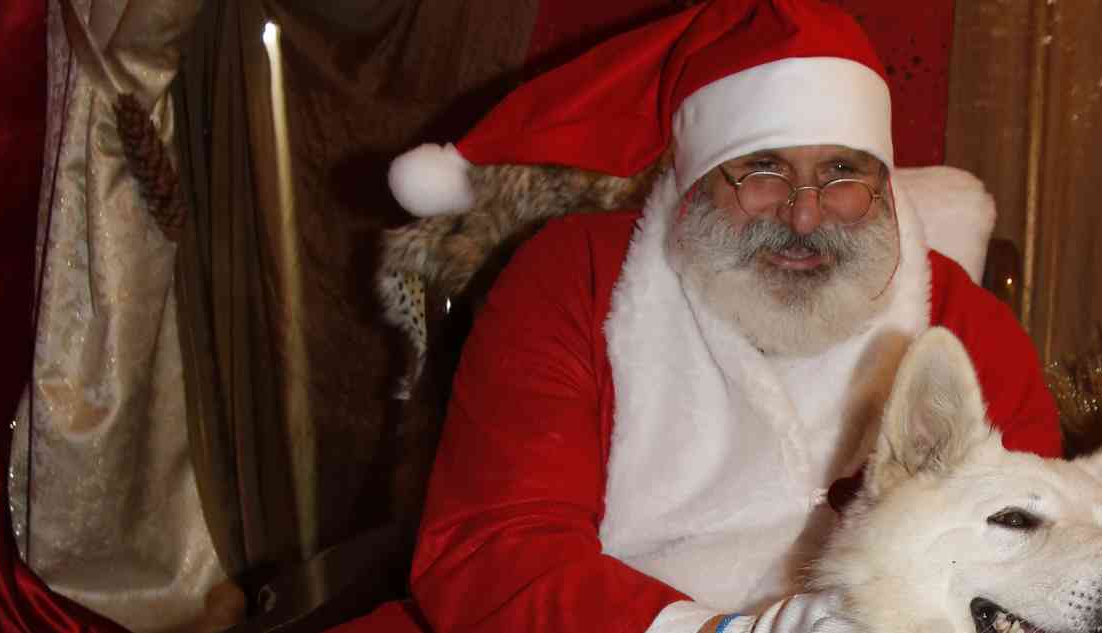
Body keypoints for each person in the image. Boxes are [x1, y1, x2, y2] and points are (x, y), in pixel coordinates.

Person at [342, 1, 1061, 632]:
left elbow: (1045, 557)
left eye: (843, 172)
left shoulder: (959, 321)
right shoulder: (575, 278)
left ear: (881, 181)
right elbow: (495, 546)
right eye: (761, 170)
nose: (805, 213)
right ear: (693, 179)